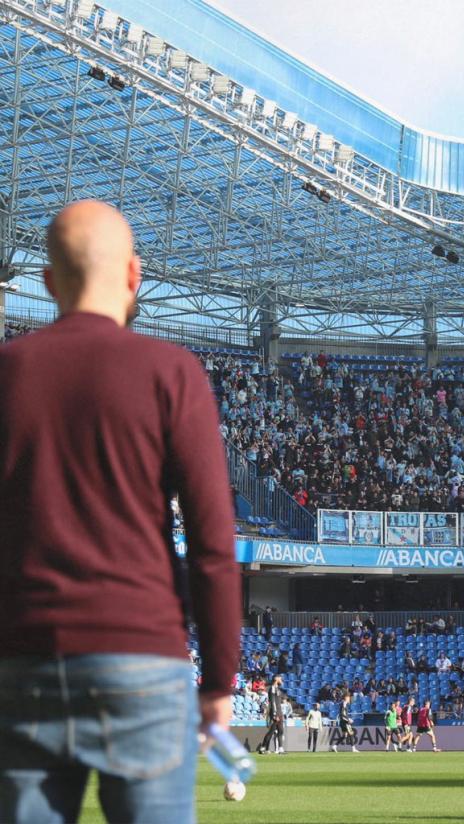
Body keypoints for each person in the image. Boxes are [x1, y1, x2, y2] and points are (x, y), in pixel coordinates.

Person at [0, 201, 241, 824]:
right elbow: (215, 544)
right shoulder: (173, 373)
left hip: (23, 661)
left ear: (48, 281)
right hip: (141, 661)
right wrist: (218, 683)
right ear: (135, 274)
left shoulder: (8, 372)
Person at [257, 674, 285, 755]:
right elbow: (272, 701)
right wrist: (275, 714)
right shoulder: (272, 688)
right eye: (280, 678)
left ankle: (280, 749)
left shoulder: (278, 689)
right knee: (271, 732)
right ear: (276, 679)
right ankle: (262, 748)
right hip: (275, 713)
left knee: (281, 731)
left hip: (279, 712)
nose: (281, 679)